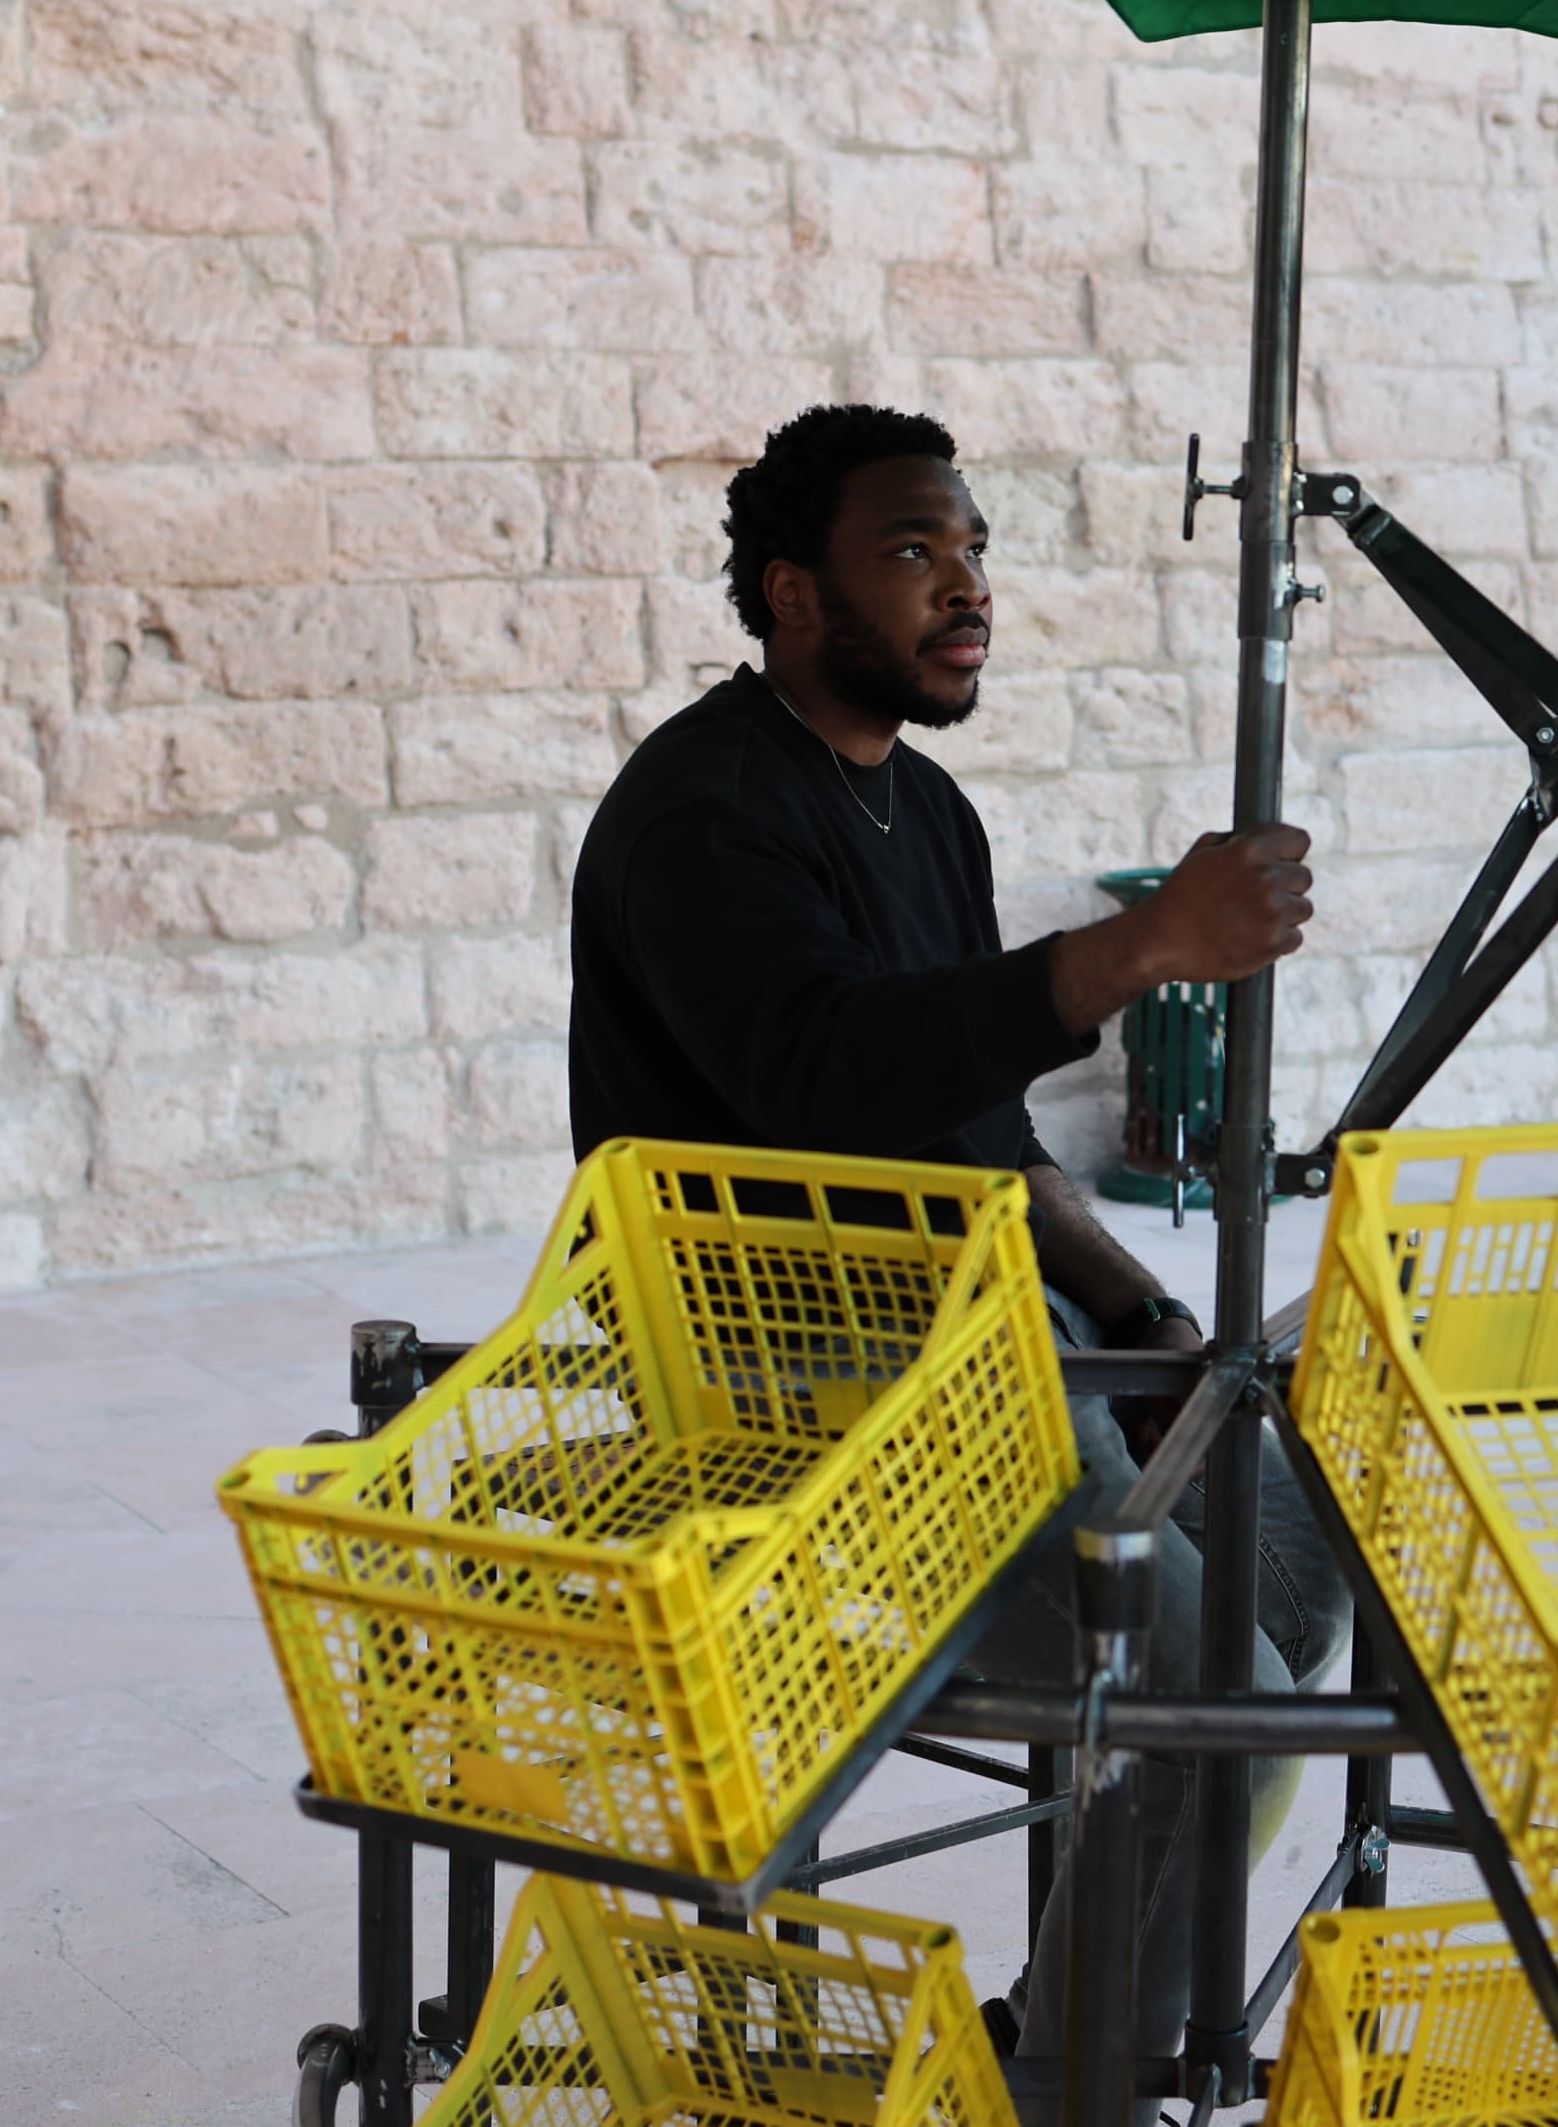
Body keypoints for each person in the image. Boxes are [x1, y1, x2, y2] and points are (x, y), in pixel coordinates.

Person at [568, 402, 1345, 2101]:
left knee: (1307, 1499)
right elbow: (832, 1070)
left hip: (987, 1350)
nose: (963, 588)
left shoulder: (929, 816)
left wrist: (1149, 1319)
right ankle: (1065, 2095)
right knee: (1226, 1731)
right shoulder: (705, 813)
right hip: (810, 1391)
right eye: (912, 553)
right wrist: (1142, 946)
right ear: (792, 594)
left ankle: (1062, 2028)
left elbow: (977, 1138)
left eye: (972, 549)